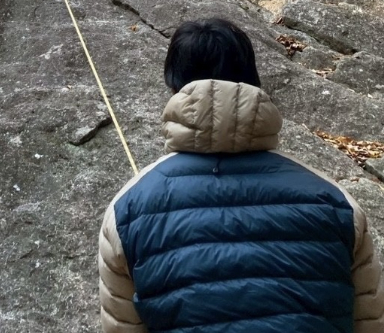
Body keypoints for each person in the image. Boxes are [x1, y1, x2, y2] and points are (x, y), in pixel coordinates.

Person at [99, 18, 384, 333]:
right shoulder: (337, 203)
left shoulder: (126, 210)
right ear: (254, 81)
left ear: (174, 88)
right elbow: (369, 321)